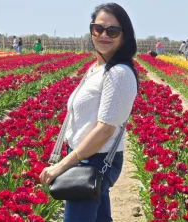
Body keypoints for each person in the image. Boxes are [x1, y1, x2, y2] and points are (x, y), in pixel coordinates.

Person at [39, 3, 138, 222]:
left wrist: (62, 166)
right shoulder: (96, 69)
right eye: (98, 29)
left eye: (113, 31)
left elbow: (104, 130)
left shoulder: (118, 73)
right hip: (82, 155)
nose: (104, 35)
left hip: (94, 159)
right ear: (91, 30)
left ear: (125, 35)